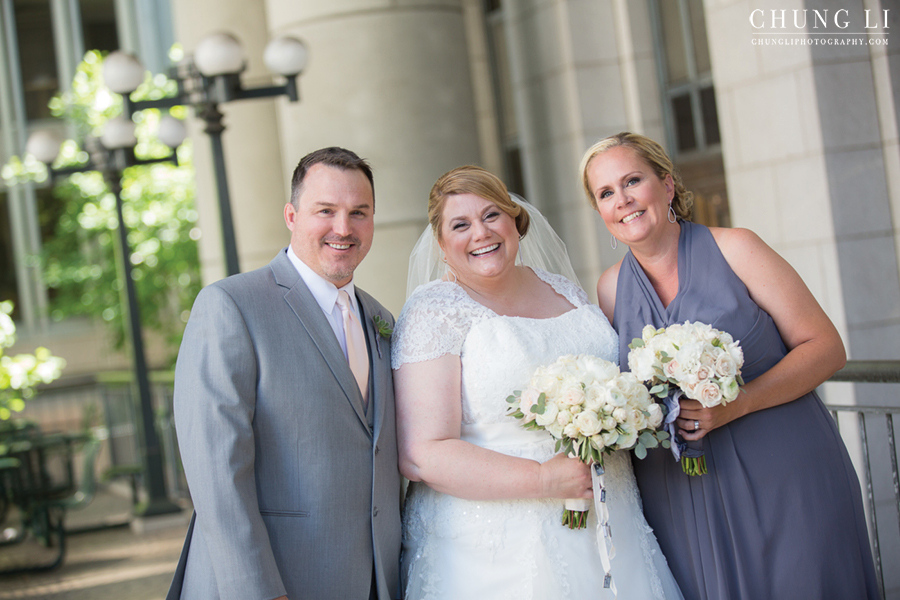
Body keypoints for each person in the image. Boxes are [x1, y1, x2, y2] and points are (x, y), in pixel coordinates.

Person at [581, 132, 879, 600]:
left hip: (782, 471)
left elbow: (826, 347)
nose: (623, 200)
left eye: (633, 181)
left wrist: (741, 403)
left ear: (667, 184)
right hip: (678, 495)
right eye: (606, 193)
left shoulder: (737, 248)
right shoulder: (609, 289)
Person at [391, 165, 684, 599]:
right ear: (441, 244)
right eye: (460, 225)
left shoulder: (562, 288)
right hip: (498, 545)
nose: (481, 233)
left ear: (515, 221)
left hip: (612, 514)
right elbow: (422, 454)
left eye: (492, 215)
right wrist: (544, 480)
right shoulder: (433, 312)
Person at [166, 147, 401, 600]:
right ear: (292, 216)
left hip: (373, 580)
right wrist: (257, 591)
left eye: (359, 212)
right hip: (277, 579)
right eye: (325, 211)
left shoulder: (380, 318)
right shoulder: (231, 305)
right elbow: (217, 471)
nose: (343, 228)